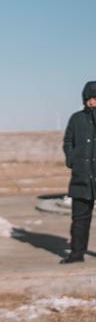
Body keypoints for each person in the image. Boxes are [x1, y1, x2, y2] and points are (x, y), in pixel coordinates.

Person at [61, 81, 96, 264]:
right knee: (79, 220)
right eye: (90, 98)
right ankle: (76, 254)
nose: (93, 102)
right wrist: (72, 160)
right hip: (81, 179)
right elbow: (68, 142)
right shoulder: (76, 118)